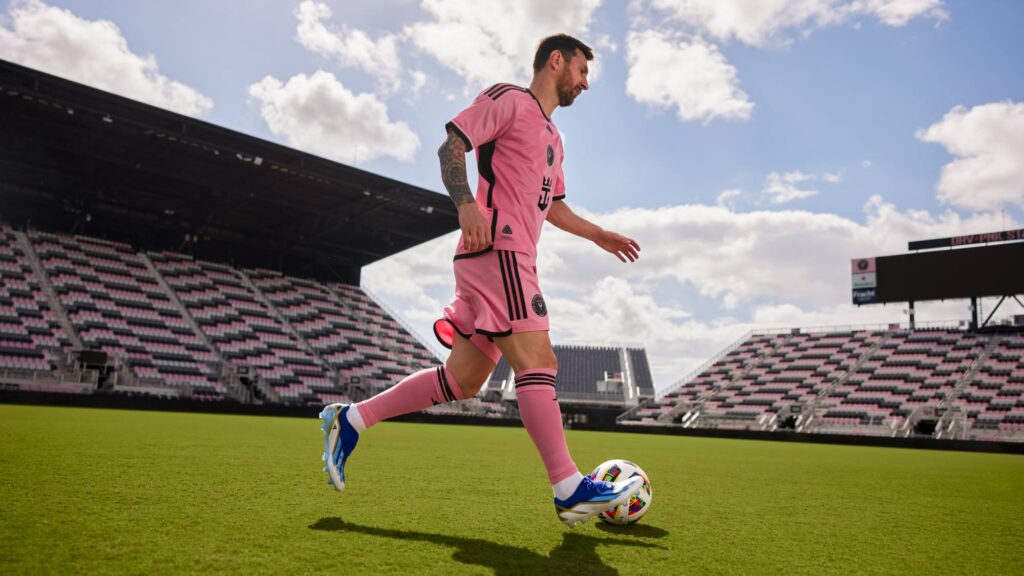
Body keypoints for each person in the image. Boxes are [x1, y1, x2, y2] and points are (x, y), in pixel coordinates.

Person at [320, 33, 643, 527]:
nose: (585, 83)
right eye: (582, 71)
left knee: (463, 380)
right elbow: (450, 147)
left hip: (510, 257)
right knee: (539, 359)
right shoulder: (508, 100)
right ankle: (568, 487)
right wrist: (466, 204)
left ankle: (352, 419)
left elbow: (552, 205)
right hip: (499, 250)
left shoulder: (555, 140)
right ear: (556, 61)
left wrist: (598, 233)